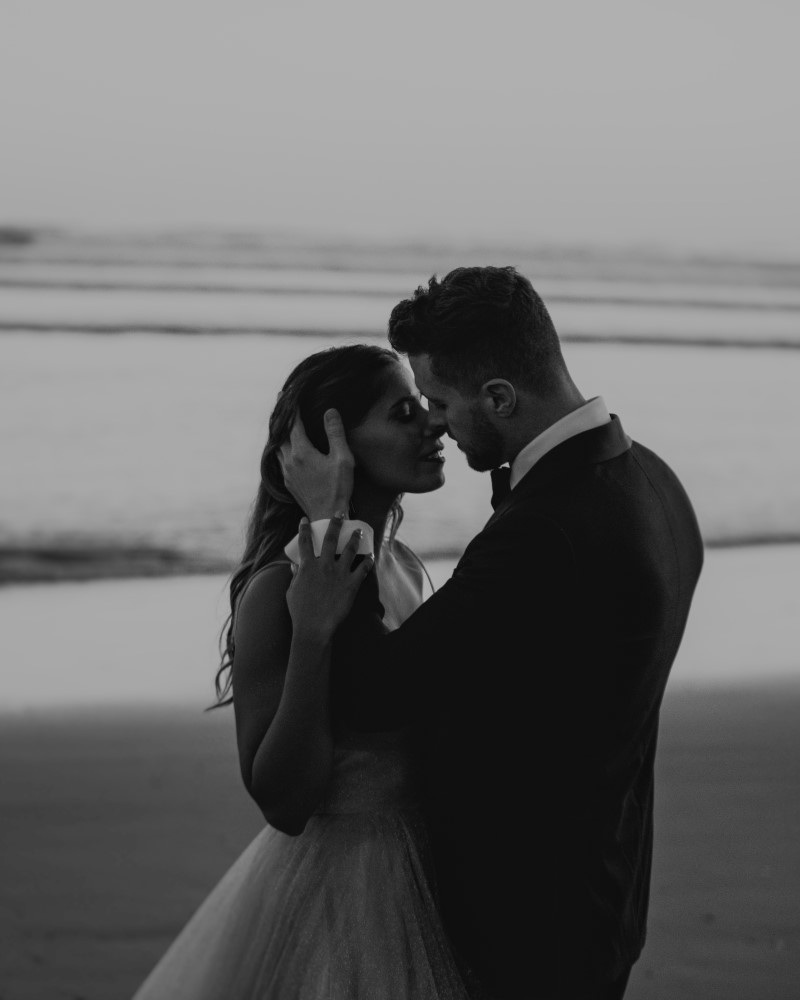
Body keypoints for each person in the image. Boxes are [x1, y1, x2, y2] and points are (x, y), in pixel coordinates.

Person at [280, 266, 705, 1000]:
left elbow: (371, 695)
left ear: (500, 398)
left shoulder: (546, 531)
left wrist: (332, 519)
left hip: (528, 923)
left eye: (440, 401)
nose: (435, 423)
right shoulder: (655, 479)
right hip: (604, 900)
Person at [131, 344, 471, 1000]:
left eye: (424, 406)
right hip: (344, 890)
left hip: (429, 869)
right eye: (403, 413)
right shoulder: (277, 590)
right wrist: (313, 633)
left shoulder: (404, 565)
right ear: (330, 449)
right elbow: (282, 802)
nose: (434, 422)